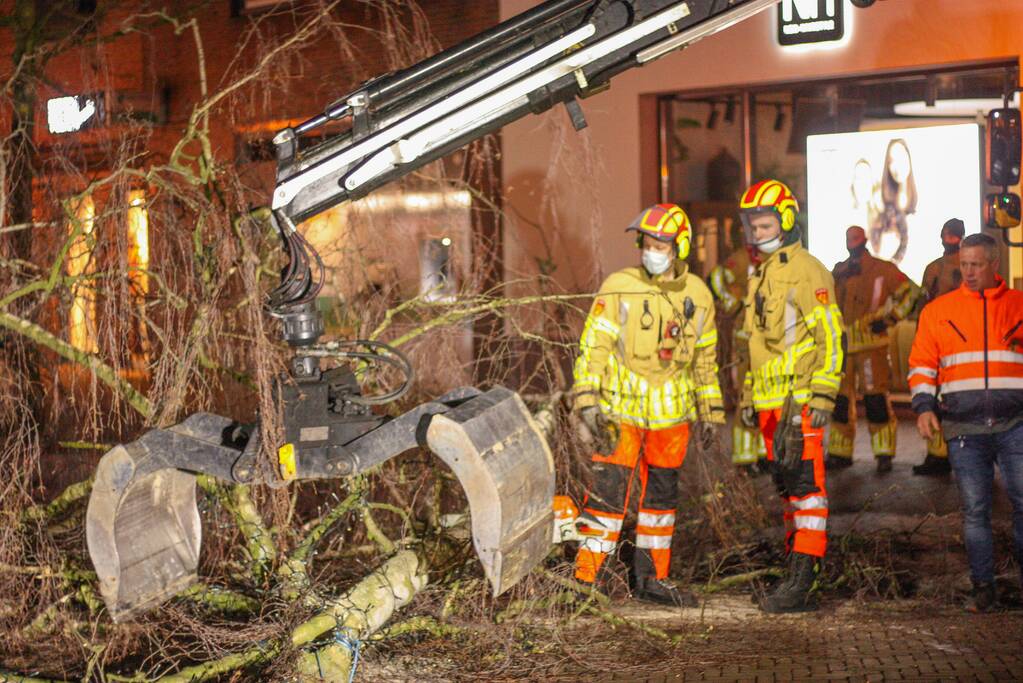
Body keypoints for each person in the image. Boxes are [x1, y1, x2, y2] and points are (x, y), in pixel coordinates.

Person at [572, 203, 725, 606]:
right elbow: (594, 346)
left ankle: (652, 579)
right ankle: (586, 579)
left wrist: (711, 411)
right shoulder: (619, 286)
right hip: (620, 413)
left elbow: (706, 360)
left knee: (660, 505)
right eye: (648, 242)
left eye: (662, 243)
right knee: (606, 497)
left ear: (680, 247)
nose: (652, 250)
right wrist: (587, 401)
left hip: (672, 420)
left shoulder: (698, 296)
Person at [737, 179, 844, 613]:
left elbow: (831, 336)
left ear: (785, 220)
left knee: (807, 491)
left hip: (799, 402)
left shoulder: (808, 269)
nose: (756, 232)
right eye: (752, 225)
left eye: (763, 224)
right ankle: (792, 566)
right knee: (787, 489)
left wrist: (822, 395)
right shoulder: (760, 273)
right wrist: (748, 393)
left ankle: (804, 579)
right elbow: (757, 343)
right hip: (769, 405)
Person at [908, 233, 1023, 612]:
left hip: (1015, 424)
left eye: (976, 265)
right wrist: (924, 407)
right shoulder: (938, 311)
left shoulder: (1019, 306)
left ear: (995, 265)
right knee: (976, 511)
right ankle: (983, 588)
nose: (968, 272)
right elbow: (923, 365)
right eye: (963, 265)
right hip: (963, 428)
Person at [828, 226, 919, 473]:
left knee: (876, 400)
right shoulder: (840, 271)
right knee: (840, 401)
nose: (851, 244)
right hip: (844, 348)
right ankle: (839, 452)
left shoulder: (883, 269)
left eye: (854, 240)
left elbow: (911, 293)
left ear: (864, 241)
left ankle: (884, 453)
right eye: (848, 240)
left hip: (871, 347)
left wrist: (890, 319)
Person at [913, 218, 966, 476]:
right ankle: (937, 455)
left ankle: (959, 454)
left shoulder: (969, 266)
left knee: (958, 399)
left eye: (952, 234)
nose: (949, 238)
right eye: (946, 234)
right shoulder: (933, 268)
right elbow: (924, 302)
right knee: (934, 400)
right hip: (938, 341)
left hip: (962, 344)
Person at [708, 242, 767, 469]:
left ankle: (764, 452)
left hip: (772, 341)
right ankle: (745, 455)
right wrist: (733, 303)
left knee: (768, 396)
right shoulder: (743, 257)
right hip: (747, 338)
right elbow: (716, 277)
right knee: (748, 396)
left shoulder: (778, 258)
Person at [871, 138, 917, 264]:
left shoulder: (920, 198)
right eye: (891, 161)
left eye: (901, 157)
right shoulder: (882, 204)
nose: (896, 166)